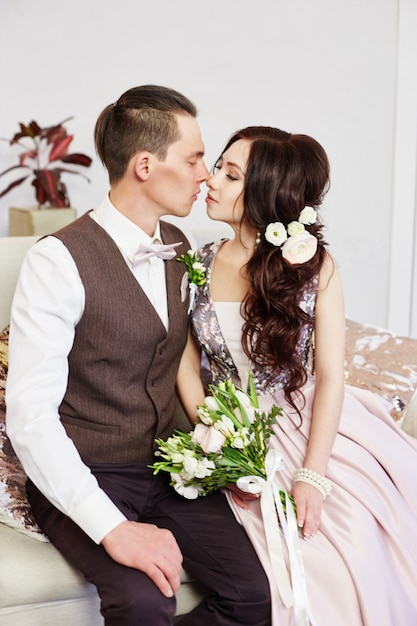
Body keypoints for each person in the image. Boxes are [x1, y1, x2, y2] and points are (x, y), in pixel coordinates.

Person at [5, 88, 272, 626]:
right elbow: (30, 419)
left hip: (169, 469)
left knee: (254, 594)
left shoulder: (178, 243)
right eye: (195, 159)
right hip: (86, 470)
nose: (205, 174)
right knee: (145, 600)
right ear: (145, 166)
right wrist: (113, 528)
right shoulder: (56, 260)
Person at [176, 125, 417, 626]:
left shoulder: (314, 267)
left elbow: (330, 374)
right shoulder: (192, 264)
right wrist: (214, 431)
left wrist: (311, 475)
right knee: (270, 561)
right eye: (218, 166)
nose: (211, 180)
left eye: (230, 174)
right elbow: (184, 364)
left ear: (263, 191)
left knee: (344, 547)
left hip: (309, 421)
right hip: (229, 429)